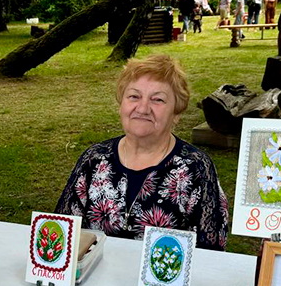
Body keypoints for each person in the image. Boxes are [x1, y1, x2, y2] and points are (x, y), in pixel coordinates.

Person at [55, 54, 229, 251]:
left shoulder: (195, 168)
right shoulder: (94, 159)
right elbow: (62, 232)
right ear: (121, 105)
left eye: (158, 100)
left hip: (161, 281)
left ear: (176, 114)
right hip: (94, 276)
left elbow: (211, 252)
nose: (143, 108)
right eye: (134, 96)